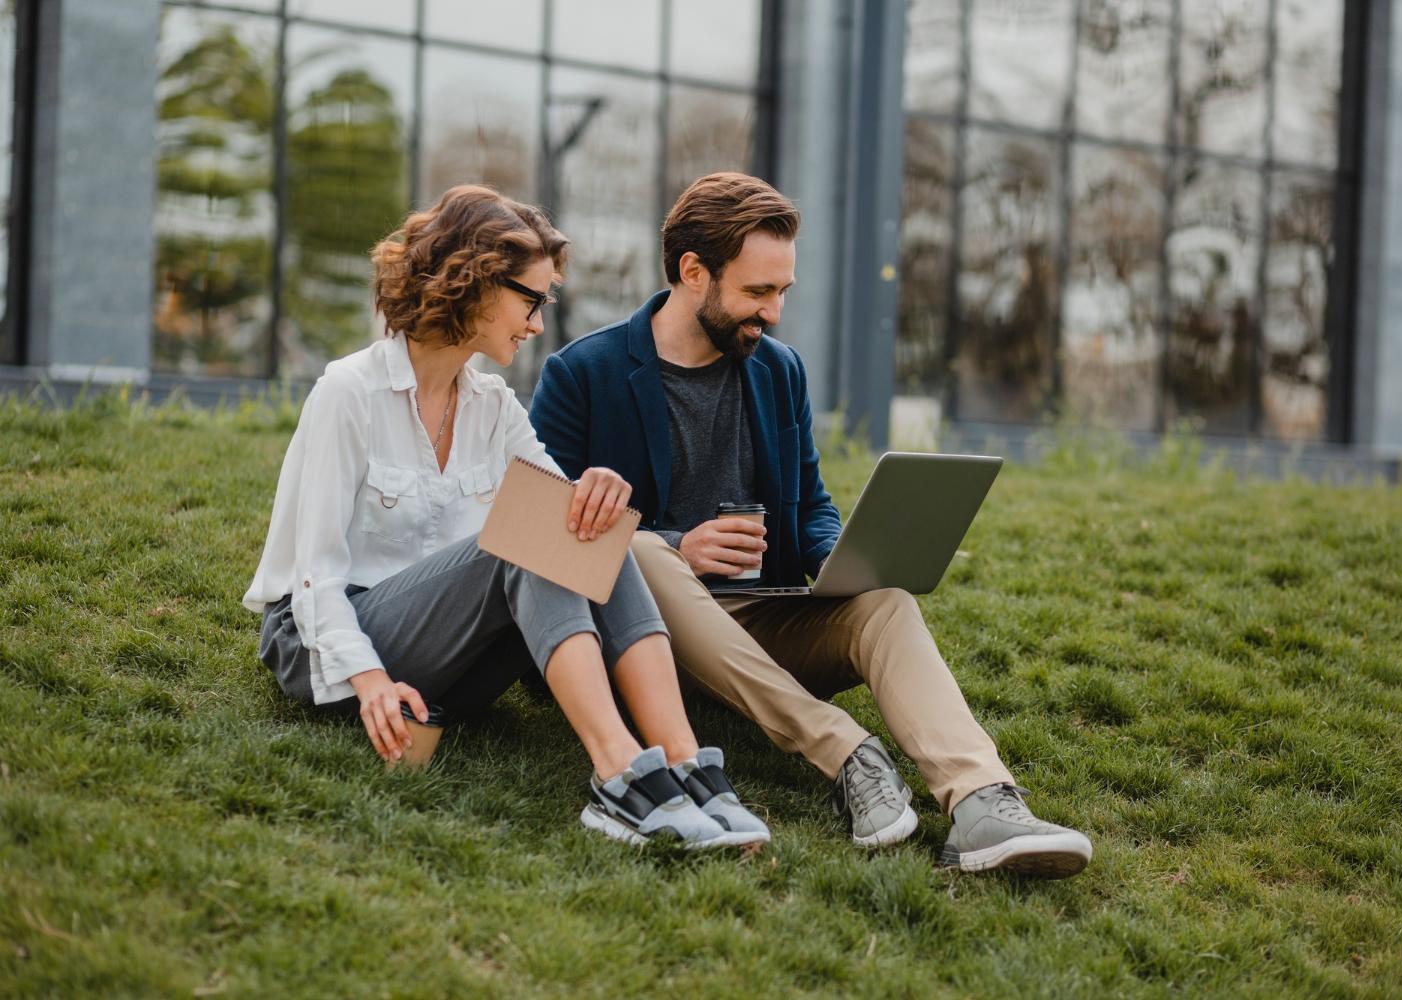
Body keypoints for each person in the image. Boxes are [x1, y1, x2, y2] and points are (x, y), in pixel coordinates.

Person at [528, 172, 1092, 877]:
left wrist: (837, 557)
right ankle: (846, 751)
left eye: (783, 291)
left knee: (884, 603)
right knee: (640, 551)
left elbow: (814, 503)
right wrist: (680, 547)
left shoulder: (778, 370)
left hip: (765, 616)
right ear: (692, 271)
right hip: (653, 638)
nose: (776, 312)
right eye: (758, 293)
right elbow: (540, 533)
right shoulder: (583, 373)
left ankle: (983, 802)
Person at [242, 184, 768, 850]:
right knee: (526, 537)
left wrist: (593, 491)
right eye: (530, 300)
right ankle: (617, 775)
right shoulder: (350, 393)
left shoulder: (492, 403)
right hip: (333, 638)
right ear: (475, 285)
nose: (538, 325)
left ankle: (689, 767)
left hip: (448, 653)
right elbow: (313, 574)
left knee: (589, 527)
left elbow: (568, 519)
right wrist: (368, 680)